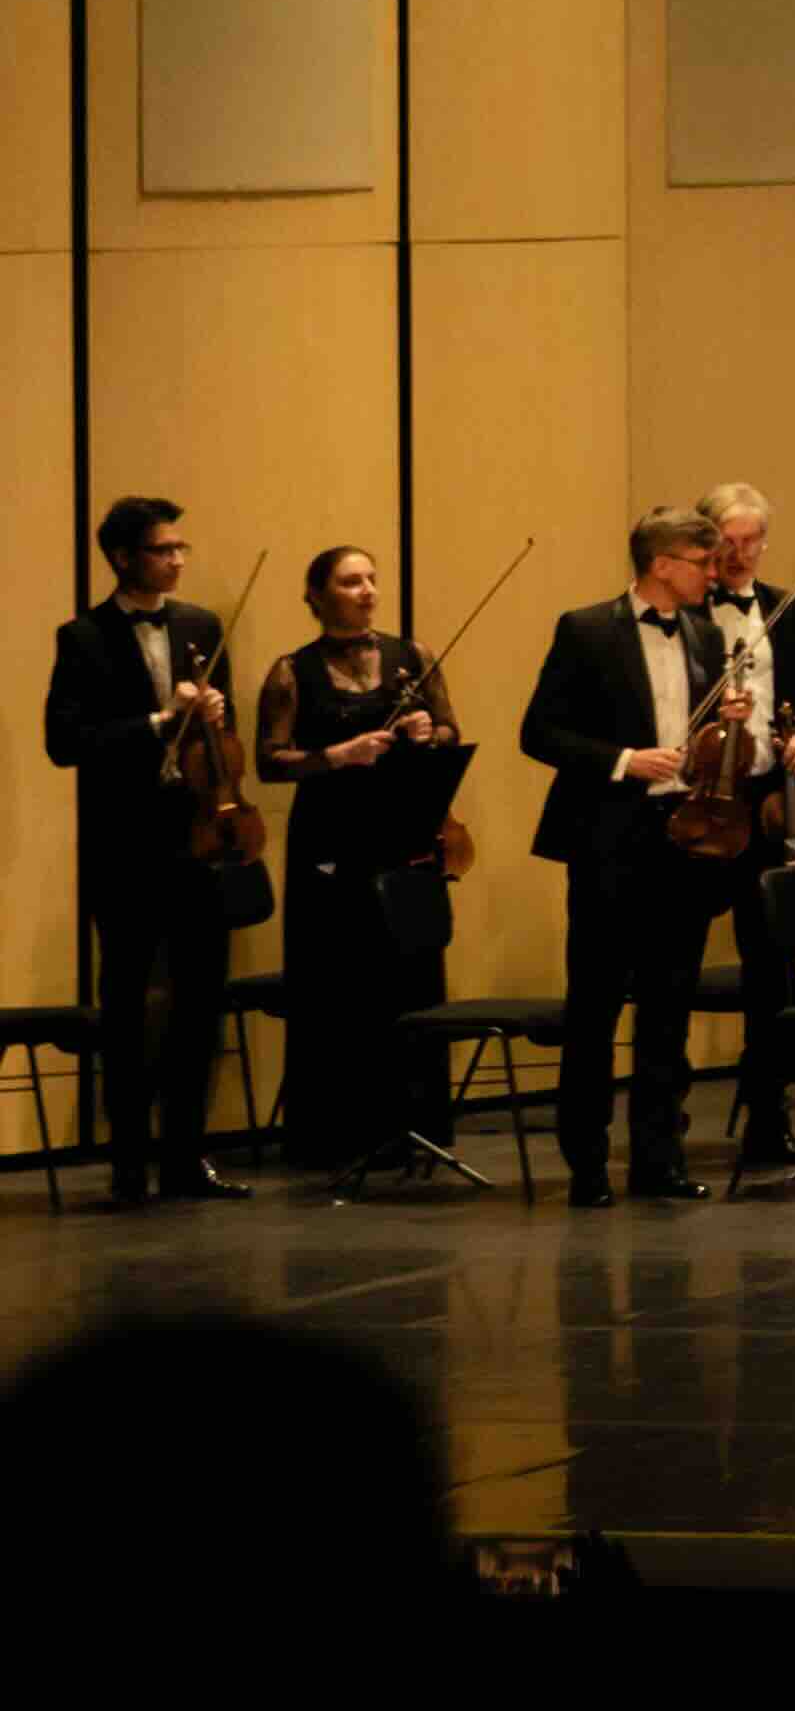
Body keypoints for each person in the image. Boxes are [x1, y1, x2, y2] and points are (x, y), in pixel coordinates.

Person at [517, 506, 748, 1206]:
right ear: (662, 564)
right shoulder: (586, 630)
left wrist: (726, 725)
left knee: (668, 1008)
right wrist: (624, 760)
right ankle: (587, 1164)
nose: (713, 575)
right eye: (702, 562)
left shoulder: (706, 633)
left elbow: (700, 736)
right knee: (594, 1007)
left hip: (685, 838)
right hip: (609, 840)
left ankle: (658, 1159)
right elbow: (539, 732)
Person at [44, 495, 249, 1206]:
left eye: (180, 548)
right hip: (126, 845)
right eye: (163, 550)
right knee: (127, 1005)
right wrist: (160, 720)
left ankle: (187, 1158)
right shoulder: (83, 637)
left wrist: (216, 711)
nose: (177, 560)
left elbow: (224, 730)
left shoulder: (201, 625)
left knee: (200, 1002)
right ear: (123, 557)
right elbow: (65, 743)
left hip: (200, 835)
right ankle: (128, 1162)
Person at [256, 547, 455, 1182]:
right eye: (350, 582)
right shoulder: (292, 671)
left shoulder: (413, 656)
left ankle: (413, 1127)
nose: (367, 590)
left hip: (402, 834)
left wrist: (427, 733)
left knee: (409, 977)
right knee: (338, 982)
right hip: (330, 842)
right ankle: (337, 1134)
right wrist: (339, 756)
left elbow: (450, 732)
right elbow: (269, 761)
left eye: (371, 579)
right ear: (317, 595)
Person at [695, 484, 795, 1165]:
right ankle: (662, 1118)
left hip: (765, 804)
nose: (740, 554)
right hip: (698, 804)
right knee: (674, 956)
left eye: (752, 541)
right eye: (728, 542)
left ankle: (768, 1113)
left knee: (771, 966)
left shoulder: (790, 608)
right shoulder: (683, 614)